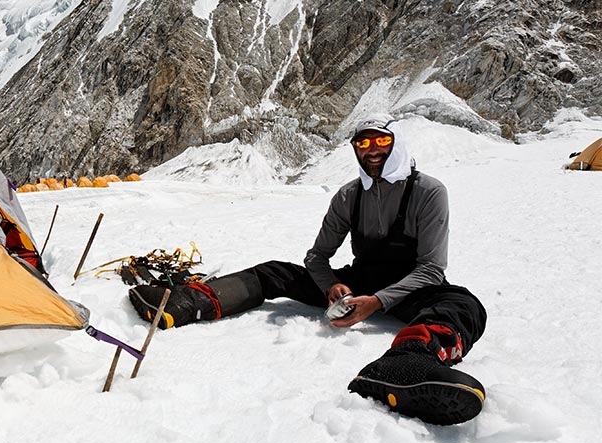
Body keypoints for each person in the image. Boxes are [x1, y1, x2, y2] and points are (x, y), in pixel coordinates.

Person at [128, 113, 487, 426]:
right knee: (274, 273)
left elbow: (431, 268)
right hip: (362, 281)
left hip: (413, 287)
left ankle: (407, 365)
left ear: (397, 144)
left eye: (381, 141)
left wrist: (377, 302)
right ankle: (184, 303)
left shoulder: (428, 192)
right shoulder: (349, 196)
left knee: (463, 306)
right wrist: (332, 286)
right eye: (363, 143)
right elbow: (317, 258)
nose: (372, 150)